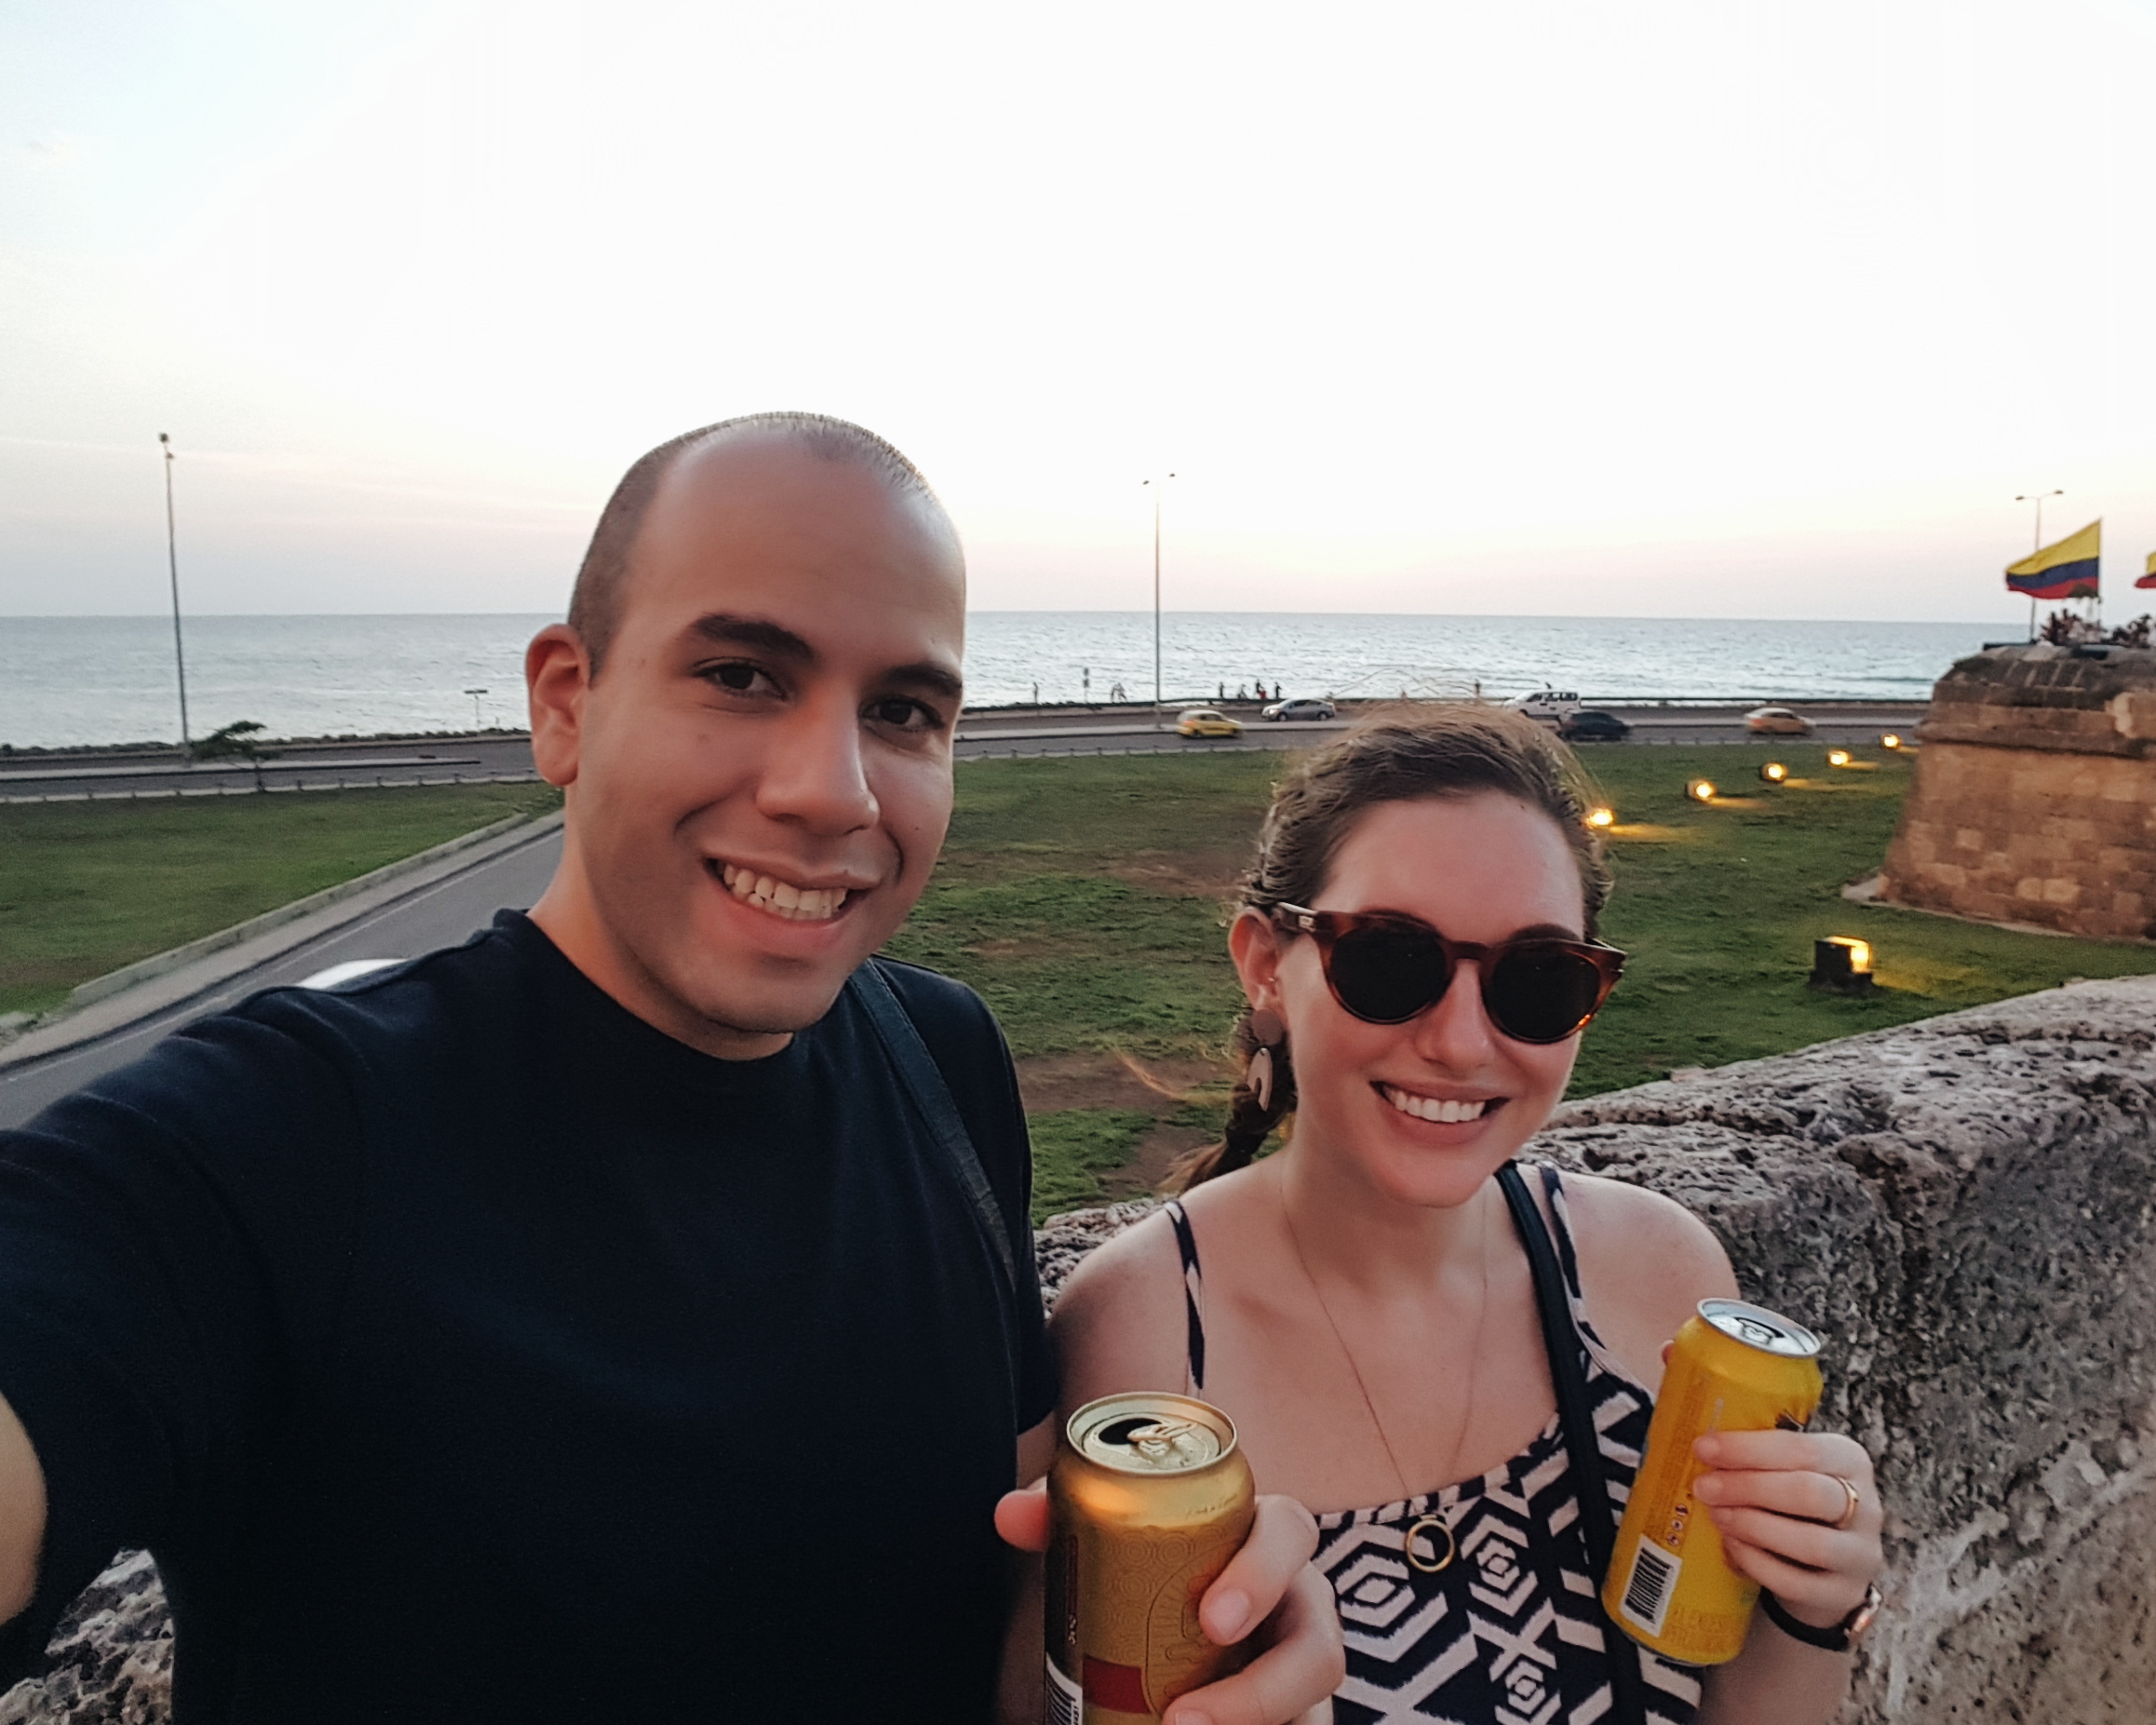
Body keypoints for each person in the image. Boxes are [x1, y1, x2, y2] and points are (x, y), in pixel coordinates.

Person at [0, 414, 1340, 1724]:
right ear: (566, 705)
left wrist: (1175, 1639)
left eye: (904, 709)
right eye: (743, 675)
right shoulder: (275, 1137)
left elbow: (1000, 1580)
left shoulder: (945, 1061)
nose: (835, 792)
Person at [1051, 708, 1885, 1723]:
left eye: (1538, 980)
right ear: (1268, 962)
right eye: (1391, 960)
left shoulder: (1659, 1274)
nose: (1459, 1042)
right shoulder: (1140, 1335)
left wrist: (1815, 1602)